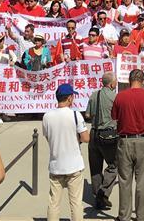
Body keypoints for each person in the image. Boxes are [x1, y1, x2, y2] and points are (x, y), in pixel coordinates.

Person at [111, 69, 144, 221]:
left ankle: (124, 216)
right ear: (143, 80)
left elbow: (114, 117)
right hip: (143, 139)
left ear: (129, 80)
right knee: (142, 181)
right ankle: (141, 216)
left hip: (124, 140)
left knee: (124, 181)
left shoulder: (120, 96)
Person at [43, 83, 90, 221]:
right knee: (75, 203)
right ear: (69, 98)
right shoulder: (75, 115)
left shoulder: (47, 116)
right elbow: (86, 138)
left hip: (56, 164)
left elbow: (47, 137)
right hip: (74, 165)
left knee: (54, 202)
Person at [85, 72, 118, 210]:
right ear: (111, 84)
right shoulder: (115, 97)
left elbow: (87, 114)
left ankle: (98, 199)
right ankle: (103, 192)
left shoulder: (94, 95)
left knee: (95, 168)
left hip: (94, 134)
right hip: (109, 135)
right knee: (114, 165)